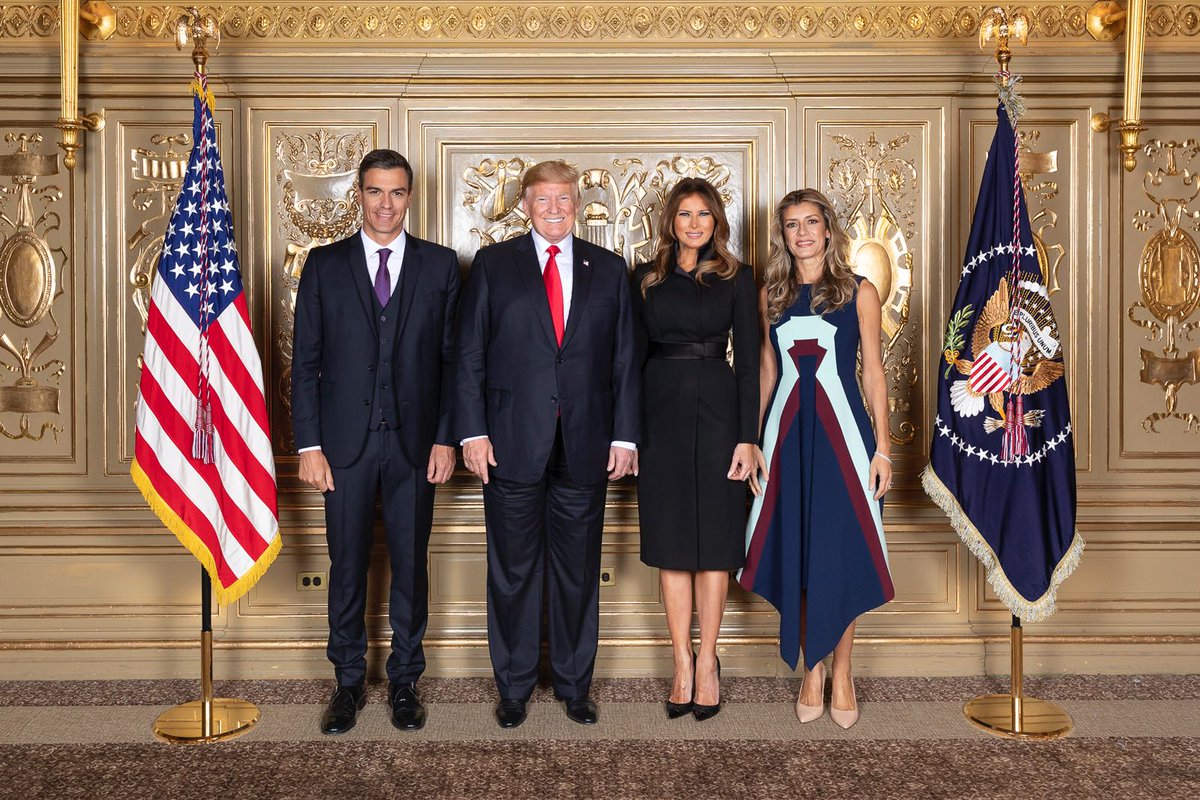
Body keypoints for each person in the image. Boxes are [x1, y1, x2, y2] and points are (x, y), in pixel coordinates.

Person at [455, 160, 639, 729]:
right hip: (509, 442)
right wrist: (473, 431)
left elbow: (627, 360)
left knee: (578, 571)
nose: (554, 209)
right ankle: (512, 687)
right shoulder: (492, 264)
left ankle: (573, 684)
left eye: (563, 199)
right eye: (543, 200)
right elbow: (469, 355)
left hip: (586, 442)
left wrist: (625, 435)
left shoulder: (609, 269)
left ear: (576, 204)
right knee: (511, 571)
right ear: (526, 205)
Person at [291, 148, 460, 735]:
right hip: (343, 447)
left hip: (416, 444)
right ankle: (347, 681)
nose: (385, 204)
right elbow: (304, 362)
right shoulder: (324, 265)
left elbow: (452, 362)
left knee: (412, 565)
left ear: (409, 197)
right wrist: (308, 445)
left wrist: (446, 440)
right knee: (347, 564)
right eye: (374, 192)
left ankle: (407, 679)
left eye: (396, 192)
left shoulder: (440, 267)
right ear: (358, 196)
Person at [738, 188, 895, 730]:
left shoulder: (859, 292)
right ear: (782, 235)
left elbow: (873, 372)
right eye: (790, 225)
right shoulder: (770, 296)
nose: (801, 233)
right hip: (786, 437)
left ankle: (843, 671)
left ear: (828, 228)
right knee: (800, 550)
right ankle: (812, 668)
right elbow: (765, 370)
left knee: (840, 552)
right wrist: (753, 439)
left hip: (843, 438)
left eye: (810, 222)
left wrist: (883, 447)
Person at [630, 178, 763, 721]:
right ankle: (679, 662)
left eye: (703, 214)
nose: (693, 223)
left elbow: (752, 360)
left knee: (714, 545)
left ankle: (708, 660)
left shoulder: (737, 277)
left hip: (719, 411)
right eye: (684, 213)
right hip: (658, 412)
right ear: (671, 221)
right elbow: (628, 360)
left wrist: (748, 438)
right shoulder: (644, 278)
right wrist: (628, 433)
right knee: (671, 544)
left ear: (716, 223)